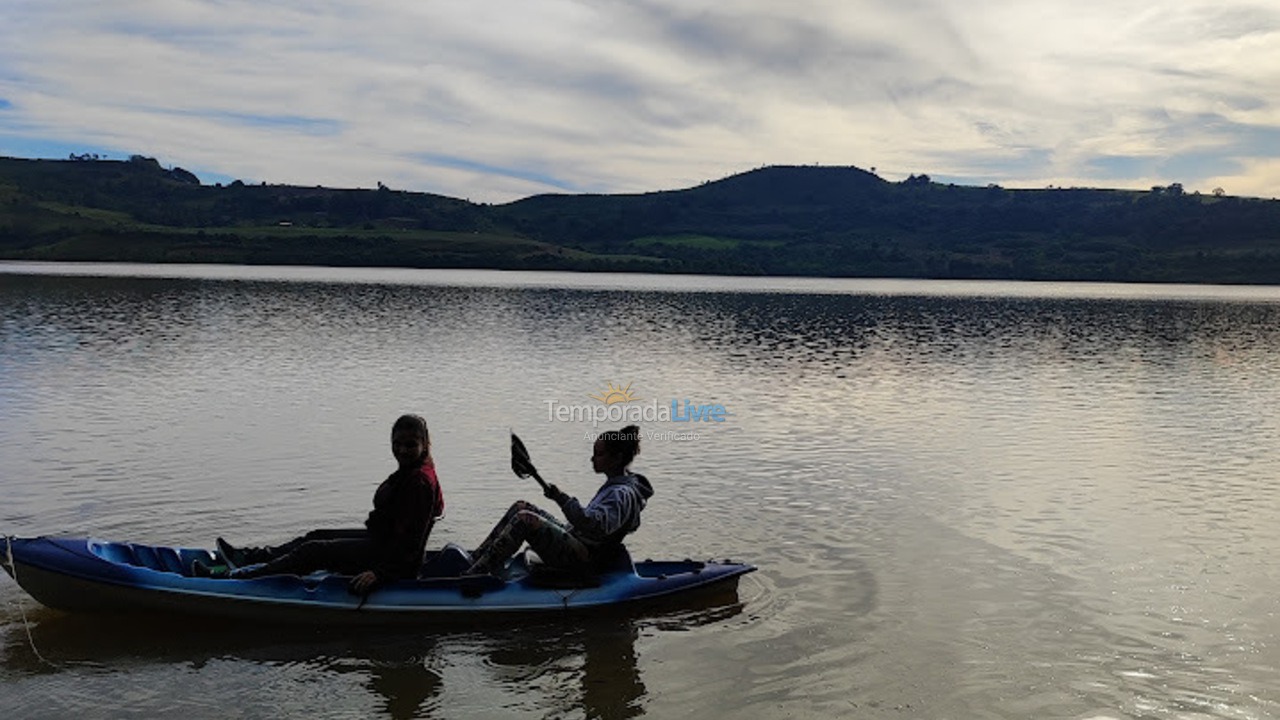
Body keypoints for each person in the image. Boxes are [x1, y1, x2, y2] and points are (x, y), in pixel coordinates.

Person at [194, 414, 444, 594]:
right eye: (397, 443)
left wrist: (381, 574)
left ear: (423, 445)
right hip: (383, 544)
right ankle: (248, 558)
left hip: (393, 561)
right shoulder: (413, 470)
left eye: (410, 444)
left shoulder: (419, 483)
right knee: (317, 536)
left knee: (313, 551)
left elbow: (411, 543)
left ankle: (233, 579)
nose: (401, 450)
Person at [466, 425, 652, 576]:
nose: (592, 458)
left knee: (525, 519)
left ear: (617, 458)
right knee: (521, 507)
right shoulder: (617, 485)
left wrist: (562, 499)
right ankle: (476, 559)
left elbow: (594, 525)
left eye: (599, 454)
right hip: (581, 543)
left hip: (586, 559)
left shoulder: (621, 493)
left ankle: (476, 575)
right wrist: (558, 498)